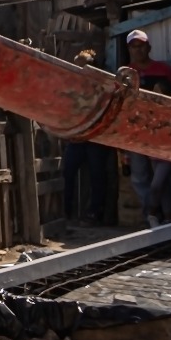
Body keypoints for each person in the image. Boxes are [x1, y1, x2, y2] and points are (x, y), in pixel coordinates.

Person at [121, 30, 171, 228]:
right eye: (133, 46)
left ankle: (157, 214)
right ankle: (153, 217)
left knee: (160, 178)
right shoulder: (125, 73)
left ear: (149, 47)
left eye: (141, 45)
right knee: (139, 176)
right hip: (135, 131)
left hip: (161, 131)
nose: (138, 50)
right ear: (129, 49)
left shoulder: (164, 70)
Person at [61, 50, 111, 225]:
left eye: (82, 65)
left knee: (97, 174)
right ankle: (66, 212)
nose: (78, 69)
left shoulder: (101, 85)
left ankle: (94, 213)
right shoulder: (72, 85)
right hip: (77, 137)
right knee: (67, 172)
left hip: (96, 136)